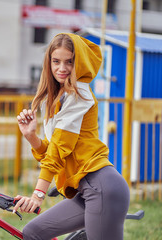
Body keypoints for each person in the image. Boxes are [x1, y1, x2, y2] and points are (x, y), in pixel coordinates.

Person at [13, 33, 130, 240]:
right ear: (48, 62)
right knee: (34, 232)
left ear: (78, 63)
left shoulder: (80, 94)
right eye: (56, 61)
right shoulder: (57, 98)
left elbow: (59, 149)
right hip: (87, 192)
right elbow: (53, 149)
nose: (62, 68)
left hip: (102, 186)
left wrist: (38, 195)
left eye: (69, 62)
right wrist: (31, 136)